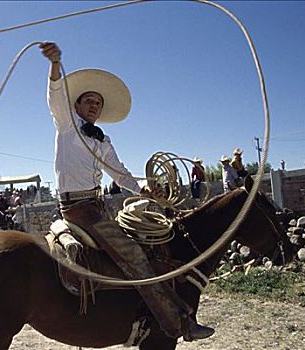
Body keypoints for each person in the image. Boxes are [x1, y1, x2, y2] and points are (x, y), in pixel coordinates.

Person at [39, 42, 213, 341]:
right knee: (133, 254)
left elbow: (119, 172)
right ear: (77, 106)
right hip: (79, 211)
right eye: (88, 100)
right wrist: (55, 64)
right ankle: (176, 322)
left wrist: (144, 188)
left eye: (98, 103)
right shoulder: (66, 124)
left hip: (97, 207)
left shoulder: (103, 140)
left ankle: (133, 315)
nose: (94, 105)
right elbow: (55, 94)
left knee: (146, 244)